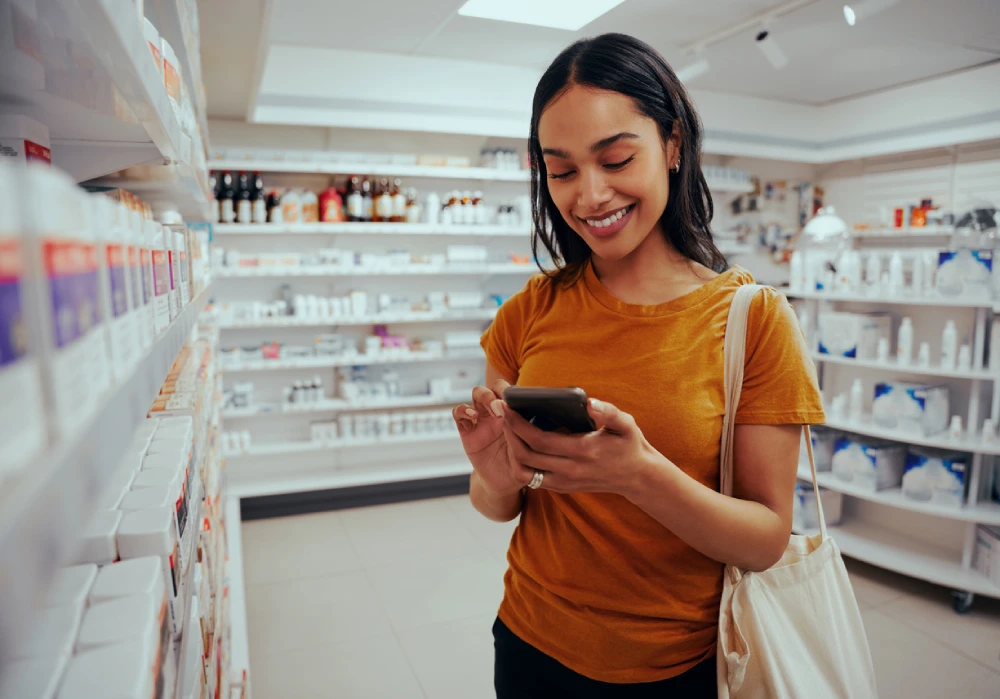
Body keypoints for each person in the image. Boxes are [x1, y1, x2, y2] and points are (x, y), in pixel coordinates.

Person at [452, 33, 824, 698]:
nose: (590, 195)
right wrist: (496, 472)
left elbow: (767, 536)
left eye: (616, 158)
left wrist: (641, 476)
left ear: (673, 144)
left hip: (677, 668)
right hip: (529, 642)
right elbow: (494, 505)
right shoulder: (528, 311)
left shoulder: (753, 319)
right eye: (561, 171)